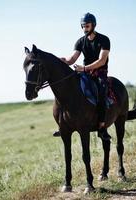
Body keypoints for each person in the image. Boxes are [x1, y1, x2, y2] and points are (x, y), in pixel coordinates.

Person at [53, 12, 111, 141]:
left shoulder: (104, 40)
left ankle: (102, 127)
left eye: (87, 26)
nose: (85, 28)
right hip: (85, 73)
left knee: (101, 92)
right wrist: (60, 60)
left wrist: (84, 68)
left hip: (100, 73)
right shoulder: (80, 41)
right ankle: (63, 124)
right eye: (83, 26)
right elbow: (72, 59)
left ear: (93, 25)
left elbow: (102, 61)